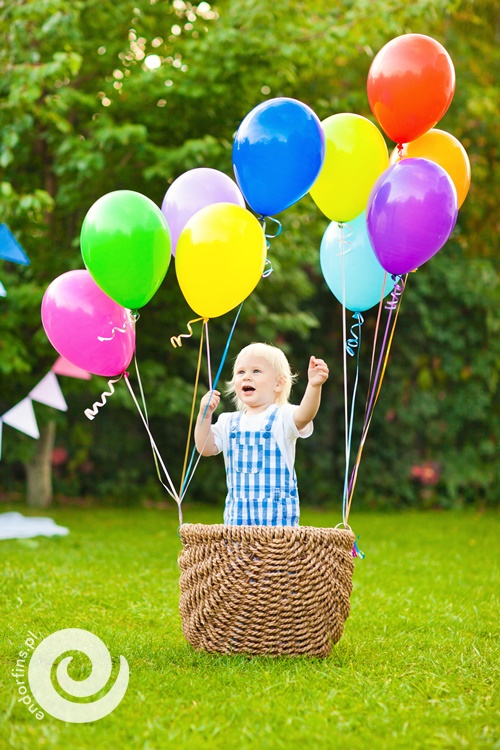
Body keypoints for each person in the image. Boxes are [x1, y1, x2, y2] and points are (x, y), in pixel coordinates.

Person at [194, 342, 329, 526]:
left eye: (256, 371)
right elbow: (205, 448)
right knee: (237, 556)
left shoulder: (282, 416)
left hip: (277, 521)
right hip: (237, 521)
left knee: (275, 555)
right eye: (241, 372)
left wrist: (314, 386)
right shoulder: (228, 421)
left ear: (278, 384)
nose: (247, 377)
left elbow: (305, 415)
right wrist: (204, 415)